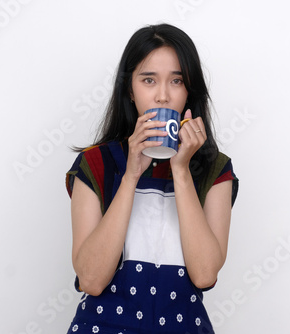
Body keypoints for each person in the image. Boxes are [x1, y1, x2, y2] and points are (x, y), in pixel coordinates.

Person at [64, 23, 239, 334]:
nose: (162, 96)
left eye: (177, 81)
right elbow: (91, 280)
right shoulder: (95, 163)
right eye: (148, 80)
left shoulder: (215, 170)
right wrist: (131, 175)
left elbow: (204, 274)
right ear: (130, 90)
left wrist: (182, 170)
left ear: (189, 92)